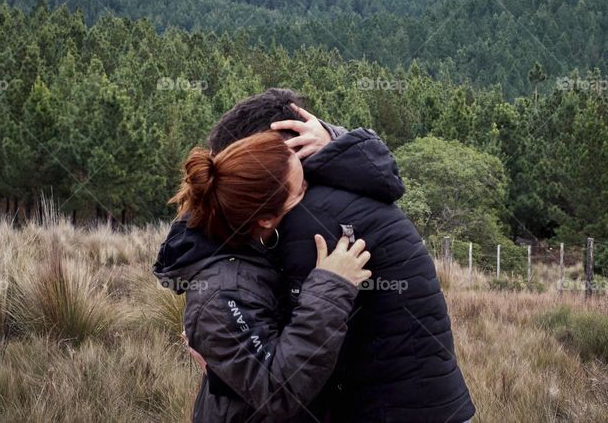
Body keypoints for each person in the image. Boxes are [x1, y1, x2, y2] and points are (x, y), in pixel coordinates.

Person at [198, 89, 476, 423]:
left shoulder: (310, 220)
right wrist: (334, 137)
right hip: (432, 401)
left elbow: (296, 364)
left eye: (241, 161)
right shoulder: (348, 183)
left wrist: (221, 362)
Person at [154, 130, 372, 422]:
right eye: (301, 189)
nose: (312, 191)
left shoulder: (249, 240)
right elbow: (278, 390)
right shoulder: (221, 294)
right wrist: (330, 287)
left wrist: (331, 137)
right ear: (267, 218)